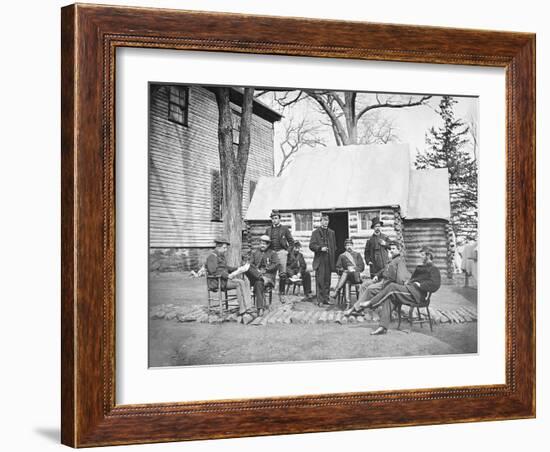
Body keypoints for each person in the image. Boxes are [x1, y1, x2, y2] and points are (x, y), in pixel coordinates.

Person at [362, 245, 441, 335]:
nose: (420, 257)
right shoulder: (420, 267)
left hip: (417, 295)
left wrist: (421, 285)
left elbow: (435, 284)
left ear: (428, 256)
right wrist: (409, 281)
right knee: (390, 298)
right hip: (410, 291)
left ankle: (371, 303)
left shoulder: (433, 269)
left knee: (392, 286)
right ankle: (382, 327)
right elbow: (413, 279)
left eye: (422, 255)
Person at [345, 240, 410, 315]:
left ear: (399, 250)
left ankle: (355, 308)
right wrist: (377, 275)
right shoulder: (392, 259)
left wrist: (397, 287)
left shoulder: (399, 260)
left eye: (393, 249)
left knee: (370, 289)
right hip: (382, 280)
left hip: (387, 283)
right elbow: (384, 269)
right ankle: (361, 309)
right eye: (391, 249)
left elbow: (400, 276)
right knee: (364, 285)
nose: (391, 251)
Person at [205, 237, 254, 315]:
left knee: (245, 281)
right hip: (216, 281)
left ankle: (248, 306)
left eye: (226, 248)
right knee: (239, 283)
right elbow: (213, 271)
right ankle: (243, 309)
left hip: (223, 280)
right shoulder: (212, 257)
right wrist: (227, 275)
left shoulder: (221, 256)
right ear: (218, 247)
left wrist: (238, 268)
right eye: (224, 248)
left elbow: (226, 268)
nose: (225, 250)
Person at [265, 209, 295, 303]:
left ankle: (282, 294)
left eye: (276, 218)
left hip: (282, 252)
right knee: (270, 272)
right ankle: (269, 293)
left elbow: (291, 242)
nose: (274, 220)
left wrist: (287, 252)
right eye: (273, 218)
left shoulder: (284, 229)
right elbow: (265, 243)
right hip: (272, 253)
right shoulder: (268, 230)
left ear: (279, 219)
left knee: (282, 274)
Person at [247, 235, 280, 315]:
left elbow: (276, 264)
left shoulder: (272, 253)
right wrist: (256, 271)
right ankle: (246, 307)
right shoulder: (255, 253)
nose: (262, 245)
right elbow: (250, 264)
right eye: (261, 243)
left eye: (264, 244)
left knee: (258, 283)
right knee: (247, 268)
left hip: (268, 277)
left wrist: (266, 269)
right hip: (256, 276)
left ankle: (260, 308)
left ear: (268, 245)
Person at [309, 214, 336, 306]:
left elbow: (334, 246)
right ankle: (320, 300)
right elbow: (311, 245)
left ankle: (326, 299)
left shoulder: (332, 233)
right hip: (320, 260)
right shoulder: (315, 233)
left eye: (327, 220)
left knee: (327, 280)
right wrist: (320, 248)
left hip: (328, 259)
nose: (326, 222)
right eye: (324, 220)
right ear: (320, 221)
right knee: (320, 280)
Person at [334, 238, 365, 303]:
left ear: (352, 246)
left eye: (350, 245)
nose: (349, 247)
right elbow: (337, 268)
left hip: (355, 277)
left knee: (346, 274)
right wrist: (344, 270)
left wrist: (354, 269)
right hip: (347, 278)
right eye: (347, 245)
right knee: (346, 278)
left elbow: (362, 267)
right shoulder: (342, 256)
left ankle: (337, 290)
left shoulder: (357, 254)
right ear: (345, 247)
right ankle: (347, 303)